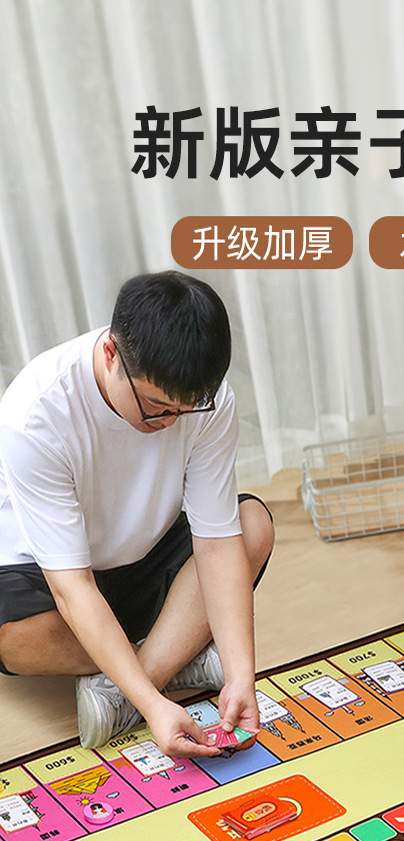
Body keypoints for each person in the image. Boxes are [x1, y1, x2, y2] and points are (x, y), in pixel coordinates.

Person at [0, 271, 274, 758]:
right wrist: (152, 706)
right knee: (8, 635)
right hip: (53, 579)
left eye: (185, 410)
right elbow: (72, 587)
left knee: (251, 525)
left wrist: (240, 675)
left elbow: (215, 542)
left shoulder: (205, 401)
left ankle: (128, 683)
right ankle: (177, 657)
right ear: (111, 354)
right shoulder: (36, 414)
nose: (170, 421)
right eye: (155, 406)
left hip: (147, 559)